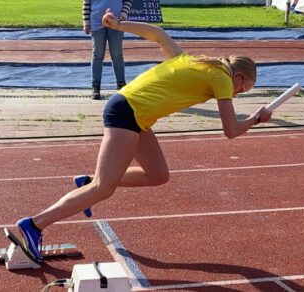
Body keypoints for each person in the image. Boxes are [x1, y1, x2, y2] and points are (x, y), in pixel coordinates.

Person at [16, 9, 272, 262]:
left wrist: (118, 24)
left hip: (137, 115)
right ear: (238, 76)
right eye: (243, 88)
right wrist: (256, 119)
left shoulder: (192, 61)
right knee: (104, 188)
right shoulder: (222, 78)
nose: (238, 93)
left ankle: (88, 181)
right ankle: (35, 224)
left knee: (158, 174)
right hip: (128, 111)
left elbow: (158, 34)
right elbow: (231, 131)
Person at [83, 0, 133, 100]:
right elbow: (86, 3)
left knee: (117, 55)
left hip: (116, 21)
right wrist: (86, 22)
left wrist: (123, 14)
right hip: (96, 21)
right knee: (97, 55)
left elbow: (127, 1)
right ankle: (95, 87)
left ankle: (121, 86)